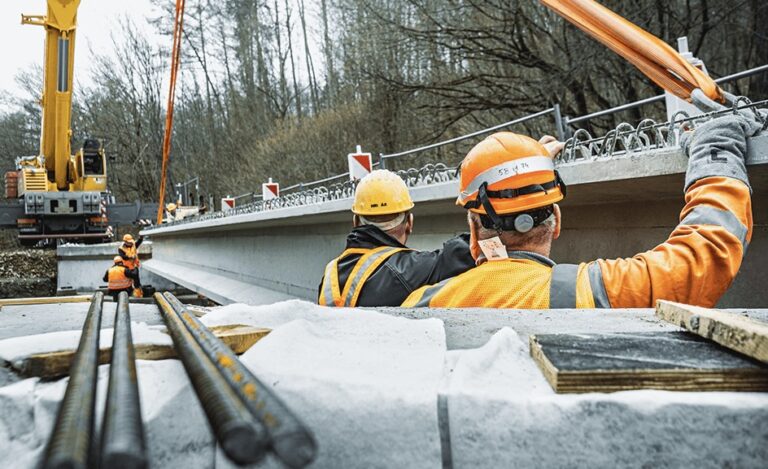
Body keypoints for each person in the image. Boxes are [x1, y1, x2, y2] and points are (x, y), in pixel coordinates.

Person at [403, 112, 760, 308]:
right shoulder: (594, 291)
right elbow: (706, 254)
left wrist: (527, 168)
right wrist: (715, 152)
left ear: (474, 232)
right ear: (556, 221)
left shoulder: (424, 303)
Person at [318, 169, 476, 307]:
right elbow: (461, 254)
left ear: (356, 222)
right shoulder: (407, 271)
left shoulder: (330, 276)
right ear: (409, 223)